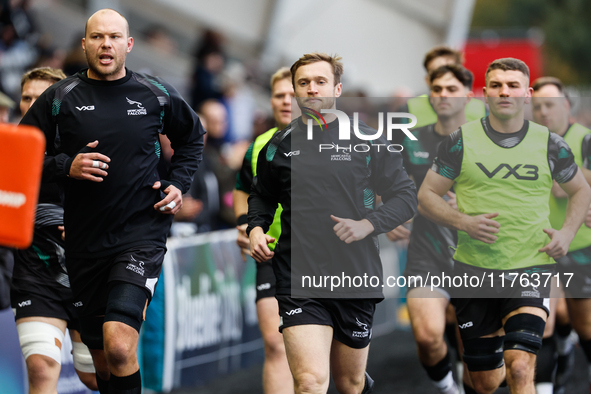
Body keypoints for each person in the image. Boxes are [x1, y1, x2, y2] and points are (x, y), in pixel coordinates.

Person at [20, 9, 205, 394]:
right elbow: (21, 157)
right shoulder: (60, 97)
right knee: (102, 363)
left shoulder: (155, 93)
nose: (107, 45)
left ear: (129, 44)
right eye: (98, 37)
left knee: (120, 345)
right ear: (85, 43)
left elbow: (193, 137)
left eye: (115, 37)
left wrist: (178, 185)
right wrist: (65, 165)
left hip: (141, 233)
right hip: (84, 244)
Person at [418, 58, 591, 393]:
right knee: (485, 381)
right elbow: (427, 196)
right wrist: (462, 221)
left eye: (513, 85)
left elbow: (581, 191)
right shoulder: (459, 141)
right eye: (496, 85)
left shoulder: (551, 143)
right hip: (473, 270)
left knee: (522, 366)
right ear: (485, 93)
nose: (504, 92)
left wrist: (567, 233)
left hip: (531, 266)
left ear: (526, 94)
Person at [247, 52, 417, 394]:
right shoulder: (277, 146)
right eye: (304, 83)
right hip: (298, 275)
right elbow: (262, 196)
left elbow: (405, 196)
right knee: (309, 381)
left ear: (337, 89)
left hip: (354, 275)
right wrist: (255, 228)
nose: (312, 89)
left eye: (320, 82)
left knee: (350, 383)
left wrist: (368, 225)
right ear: (295, 91)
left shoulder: (369, 140)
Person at [11, 67, 99, 394]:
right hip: (35, 274)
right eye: (26, 97)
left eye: (41, 98)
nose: (32, 105)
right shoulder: (9, 149)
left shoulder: (92, 143)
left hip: (88, 275)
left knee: (96, 375)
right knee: (42, 366)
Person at [399, 64, 474, 394]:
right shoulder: (413, 141)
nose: (443, 95)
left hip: (478, 255)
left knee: (473, 349)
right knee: (428, 336)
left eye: (451, 89)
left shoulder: (488, 141)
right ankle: (448, 389)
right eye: (437, 89)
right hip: (426, 252)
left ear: (468, 95)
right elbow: (389, 188)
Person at [233, 66, 294, 394]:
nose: (286, 101)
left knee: (312, 349)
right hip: (270, 252)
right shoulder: (258, 146)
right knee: (275, 343)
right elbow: (241, 188)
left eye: (292, 95)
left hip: (320, 256)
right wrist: (244, 223)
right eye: (279, 95)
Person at [532, 76, 591, 393]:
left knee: (585, 326)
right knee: (543, 323)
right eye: (537, 106)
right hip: (540, 249)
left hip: (582, 248)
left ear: (566, 106)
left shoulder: (584, 141)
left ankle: (569, 353)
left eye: (549, 105)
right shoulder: (525, 143)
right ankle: (546, 386)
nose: (542, 112)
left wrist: (573, 180)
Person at [405, 46, 485, 129]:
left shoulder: (481, 110)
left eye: (449, 70)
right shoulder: (408, 110)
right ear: (427, 79)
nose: (443, 77)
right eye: (435, 72)